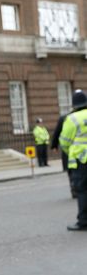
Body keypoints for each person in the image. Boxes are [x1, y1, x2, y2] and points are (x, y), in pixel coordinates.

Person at [51, 89, 86, 198]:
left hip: (71, 151)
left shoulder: (66, 118)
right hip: (78, 151)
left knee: (71, 171)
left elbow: (57, 133)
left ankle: (74, 188)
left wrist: (55, 145)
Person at [60, 90, 87, 231]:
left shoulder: (72, 118)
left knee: (82, 191)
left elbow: (64, 141)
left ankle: (83, 221)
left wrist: (69, 150)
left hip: (80, 160)